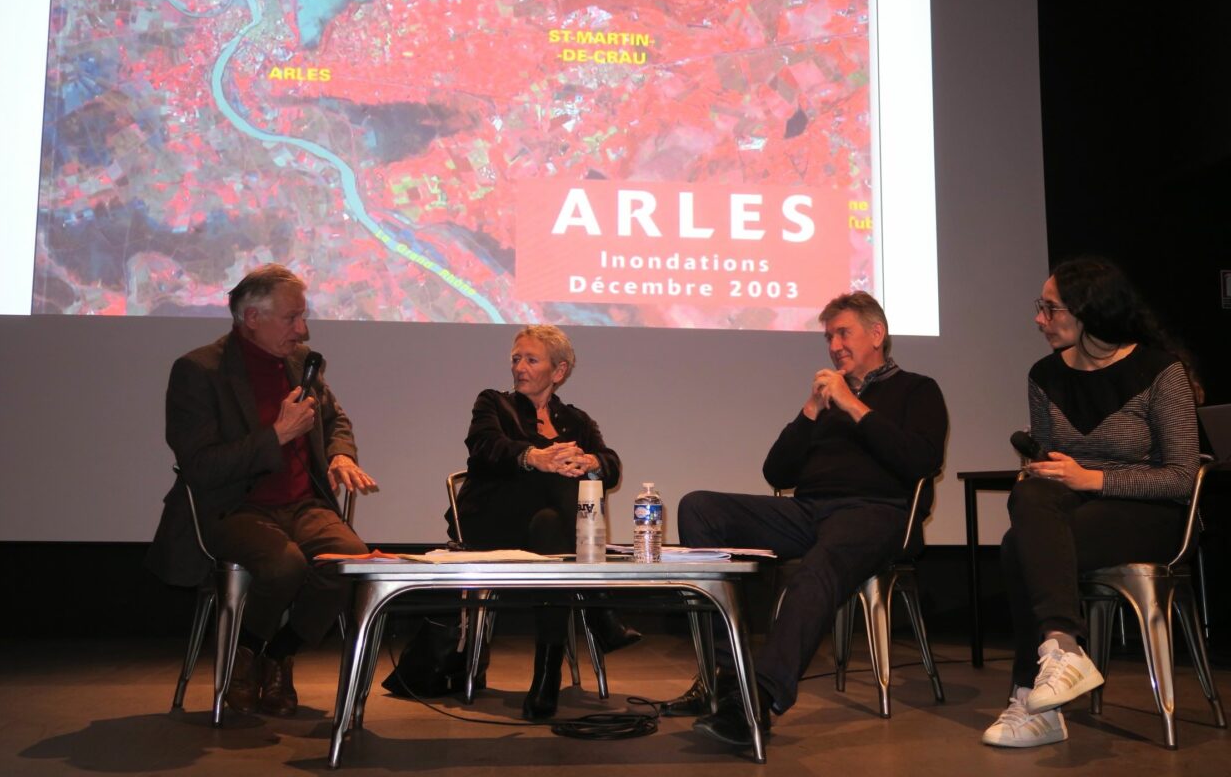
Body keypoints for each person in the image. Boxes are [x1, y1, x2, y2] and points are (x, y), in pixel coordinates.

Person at [668, 291, 947, 747]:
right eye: (828, 337)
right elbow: (777, 472)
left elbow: (919, 460)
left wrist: (854, 406)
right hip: (809, 511)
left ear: (876, 334)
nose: (834, 345)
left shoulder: (917, 390)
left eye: (844, 333)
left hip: (877, 514)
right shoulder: (826, 402)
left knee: (820, 565)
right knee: (700, 506)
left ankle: (759, 698)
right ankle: (729, 675)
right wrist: (811, 410)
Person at [981, 257, 1200, 747]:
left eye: (1050, 308)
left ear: (1089, 311)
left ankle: (1032, 699)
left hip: (1152, 516)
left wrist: (1091, 479)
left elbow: (1183, 479)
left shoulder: (1160, 371)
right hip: (1074, 512)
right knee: (1031, 495)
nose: (1039, 319)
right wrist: (1047, 472)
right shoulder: (1044, 375)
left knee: (1020, 548)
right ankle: (1061, 649)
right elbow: (1048, 460)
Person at [145, 264, 378, 717]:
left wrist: (340, 455)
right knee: (283, 564)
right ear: (251, 317)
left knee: (350, 562)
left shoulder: (299, 364)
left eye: (302, 317)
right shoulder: (199, 371)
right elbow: (202, 465)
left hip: (302, 503)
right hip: (234, 507)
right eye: (291, 318)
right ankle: (255, 660)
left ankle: (267, 653)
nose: (303, 329)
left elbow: (335, 420)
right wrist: (276, 436)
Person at [453, 324, 638, 719]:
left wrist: (591, 461)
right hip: (491, 521)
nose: (519, 367)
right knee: (562, 484)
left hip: (545, 531)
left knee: (554, 523)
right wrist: (534, 457)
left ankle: (547, 676)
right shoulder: (493, 404)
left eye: (531, 359)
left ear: (559, 371)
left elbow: (612, 467)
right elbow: (485, 447)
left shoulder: (575, 420)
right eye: (516, 358)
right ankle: (599, 607)